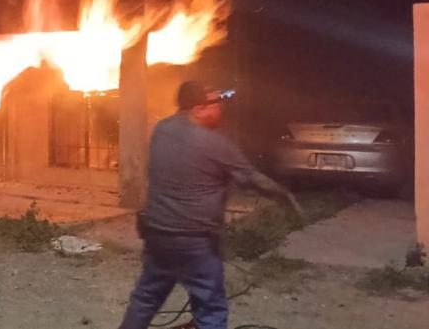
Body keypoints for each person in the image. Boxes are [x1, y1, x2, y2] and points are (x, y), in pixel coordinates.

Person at [118, 82, 304, 329]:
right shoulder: (214, 144)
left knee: (146, 298)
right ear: (199, 108)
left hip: (158, 234)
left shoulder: (161, 130)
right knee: (211, 307)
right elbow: (252, 178)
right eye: (217, 103)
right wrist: (285, 196)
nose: (221, 108)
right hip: (195, 241)